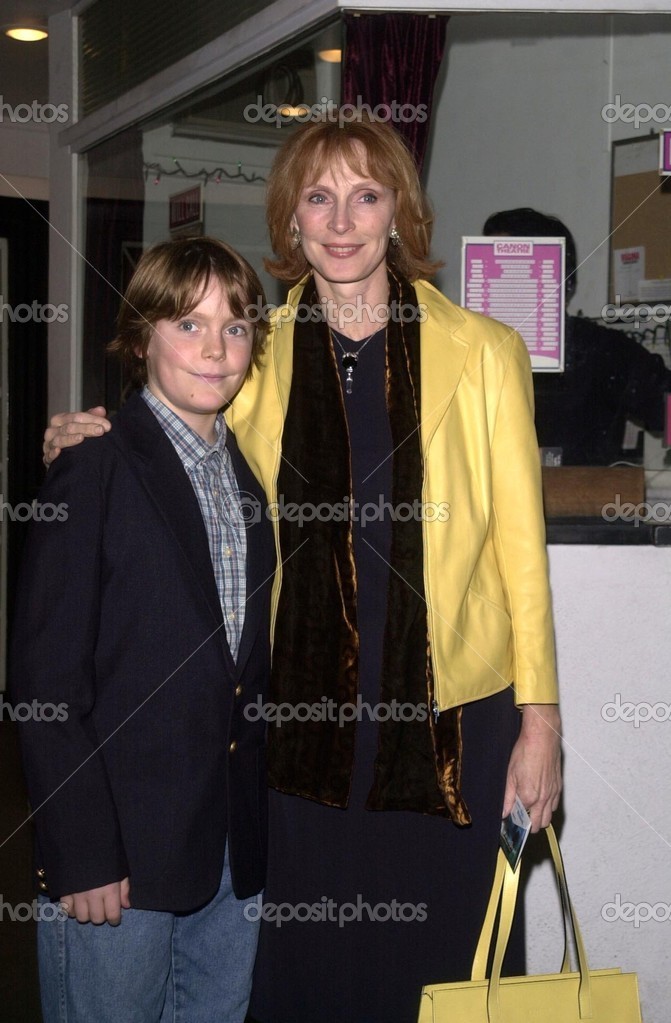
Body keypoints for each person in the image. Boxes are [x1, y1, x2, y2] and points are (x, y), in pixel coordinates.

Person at [43, 115, 561, 1023]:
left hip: (448, 723)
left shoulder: (484, 351)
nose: (342, 219)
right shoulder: (258, 351)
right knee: (309, 966)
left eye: (366, 194)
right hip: (299, 726)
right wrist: (95, 433)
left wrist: (540, 718)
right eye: (317, 197)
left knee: (444, 964)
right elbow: (183, 435)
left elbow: (523, 552)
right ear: (289, 221)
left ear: (399, 209)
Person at [13, 237, 274, 1023]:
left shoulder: (246, 478)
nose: (214, 349)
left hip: (229, 852)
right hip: (117, 861)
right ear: (140, 337)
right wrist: (82, 851)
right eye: (188, 325)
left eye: (234, 328)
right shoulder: (94, 465)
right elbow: (43, 686)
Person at [483, 207, 671, 465]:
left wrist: (550, 458)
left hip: (579, 500)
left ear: (562, 280)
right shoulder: (470, 353)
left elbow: (664, 406)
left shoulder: (604, 351)